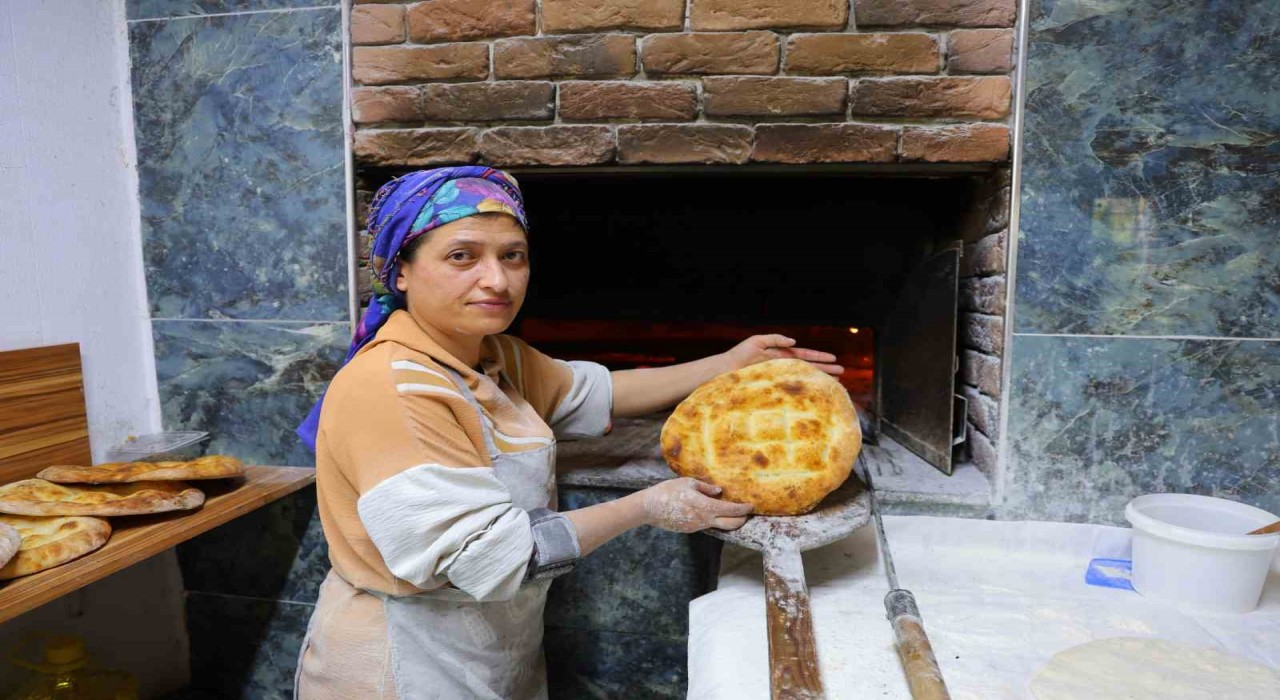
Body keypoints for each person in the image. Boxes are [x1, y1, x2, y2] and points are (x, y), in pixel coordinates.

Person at [293, 166, 842, 699]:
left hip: (492, 649)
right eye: (462, 256)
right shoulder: (391, 387)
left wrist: (729, 363)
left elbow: (596, 393)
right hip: (405, 663)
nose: (497, 280)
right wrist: (647, 506)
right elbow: (491, 558)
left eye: (513, 256)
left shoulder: (492, 357)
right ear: (401, 272)